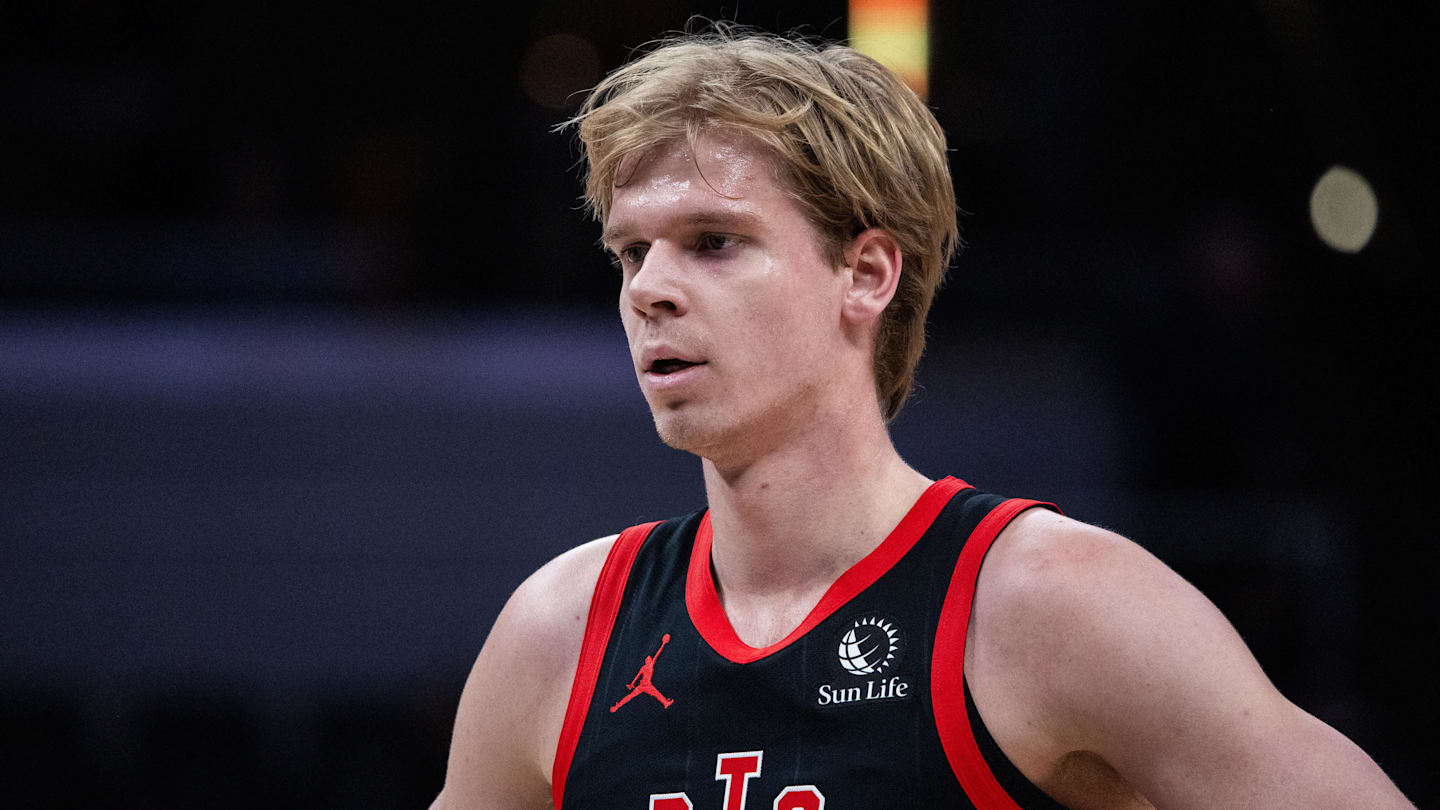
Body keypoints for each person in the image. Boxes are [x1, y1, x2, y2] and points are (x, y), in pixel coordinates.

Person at [430, 27, 1412, 810]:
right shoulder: (561, 631)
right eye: (632, 252)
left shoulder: (1053, 605)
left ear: (866, 274)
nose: (649, 289)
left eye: (713, 241)